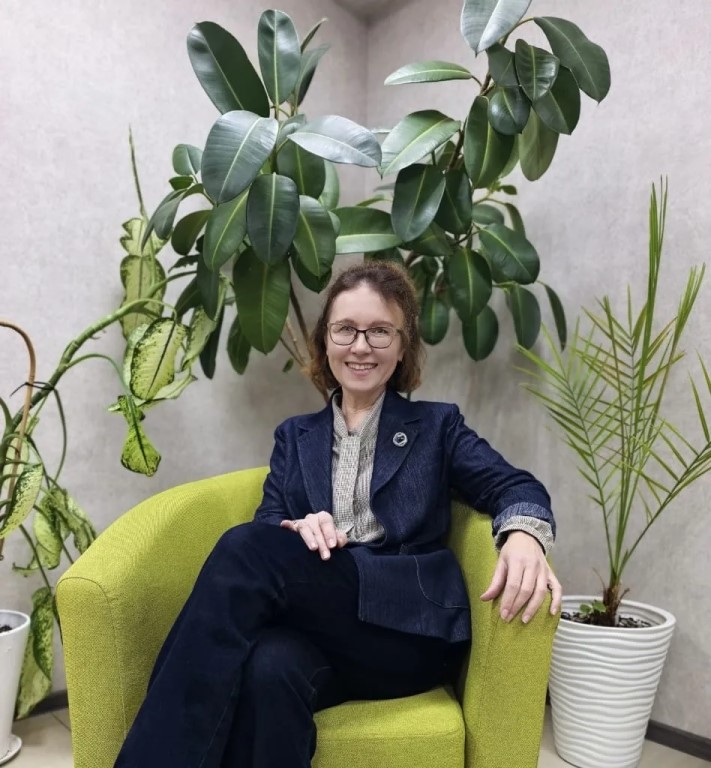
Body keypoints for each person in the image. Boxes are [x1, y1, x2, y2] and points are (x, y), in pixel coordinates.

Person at [114, 261, 562, 768]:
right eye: (345, 329)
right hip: (324, 634)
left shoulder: (438, 426)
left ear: (403, 345)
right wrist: (295, 527)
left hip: (407, 633)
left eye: (380, 331)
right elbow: (269, 521)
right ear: (325, 342)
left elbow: (515, 485)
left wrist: (524, 536)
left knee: (243, 550)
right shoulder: (294, 436)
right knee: (269, 667)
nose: (361, 346)